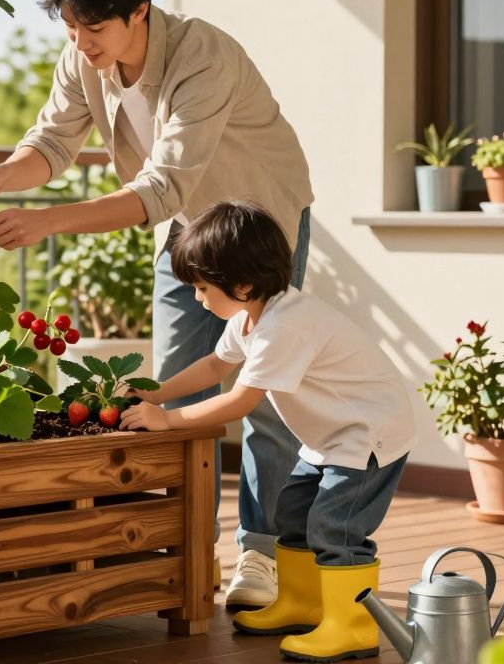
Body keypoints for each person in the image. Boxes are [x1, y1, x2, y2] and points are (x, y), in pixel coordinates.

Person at [0, 0, 314, 605]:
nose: (80, 42)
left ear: (139, 11)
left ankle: (262, 557)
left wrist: (46, 221)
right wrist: (5, 177)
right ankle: (182, 549)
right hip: (187, 232)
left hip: (261, 223)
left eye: (92, 27)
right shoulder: (83, 54)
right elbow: (55, 141)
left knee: (268, 392)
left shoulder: (203, 57)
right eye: (69, 25)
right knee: (170, 391)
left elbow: (160, 189)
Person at [121, 201, 415, 662]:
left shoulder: (285, 326)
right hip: (330, 438)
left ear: (241, 283)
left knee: (335, 527)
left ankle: (354, 628)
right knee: (293, 511)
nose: (198, 298)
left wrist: (172, 419)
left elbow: (240, 400)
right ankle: (302, 604)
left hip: (368, 436)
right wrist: (157, 394)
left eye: (202, 288)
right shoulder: (248, 317)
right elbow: (216, 364)